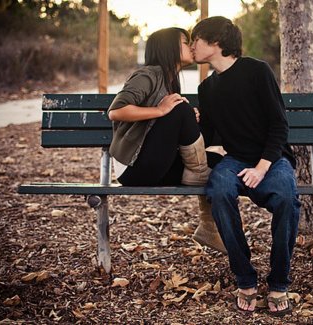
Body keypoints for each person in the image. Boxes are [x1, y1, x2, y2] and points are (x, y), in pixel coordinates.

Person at [191, 17, 301, 316]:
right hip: (235, 159)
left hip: (272, 158)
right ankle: (245, 279)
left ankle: (279, 284)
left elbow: (279, 125)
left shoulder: (256, 70)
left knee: (287, 200)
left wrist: (263, 167)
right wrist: (195, 121)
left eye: (195, 40)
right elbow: (212, 136)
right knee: (220, 189)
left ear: (214, 42)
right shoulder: (207, 87)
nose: (191, 47)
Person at [107, 27, 226, 254]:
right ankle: (199, 172)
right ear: (168, 47)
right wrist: (162, 111)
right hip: (135, 167)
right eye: (185, 41)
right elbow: (116, 111)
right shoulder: (148, 75)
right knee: (180, 110)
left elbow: (164, 128)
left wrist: (187, 120)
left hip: (156, 162)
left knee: (219, 164)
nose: (191, 46)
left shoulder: (170, 80)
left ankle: (208, 227)